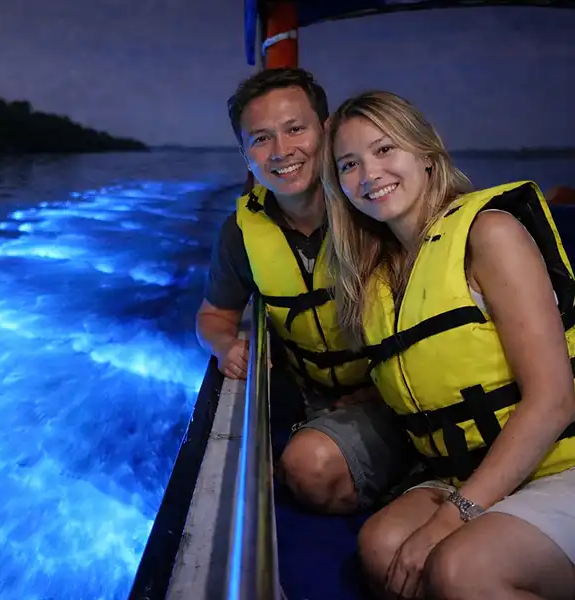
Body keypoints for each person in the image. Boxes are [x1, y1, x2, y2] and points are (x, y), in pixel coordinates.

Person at [322, 89, 575, 599]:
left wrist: (452, 519)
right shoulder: (375, 277)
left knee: (461, 570)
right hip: (462, 470)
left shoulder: (492, 233)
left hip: (559, 463)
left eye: (385, 149)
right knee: (383, 548)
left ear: (427, 154)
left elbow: (555, 399)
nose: (369, 173)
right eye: (349, 164)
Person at [196, 67, 416, 514]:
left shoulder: (377, 203)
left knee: (304, 467)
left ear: (327, 129)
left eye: (295, 128)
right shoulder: (241, 234)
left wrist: (380, 391)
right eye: (260, 139)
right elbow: (213, 317)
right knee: (297, 475)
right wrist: (224, 345)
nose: (282, 151)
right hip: (317, 398)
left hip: (402, 391)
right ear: (246, 157)